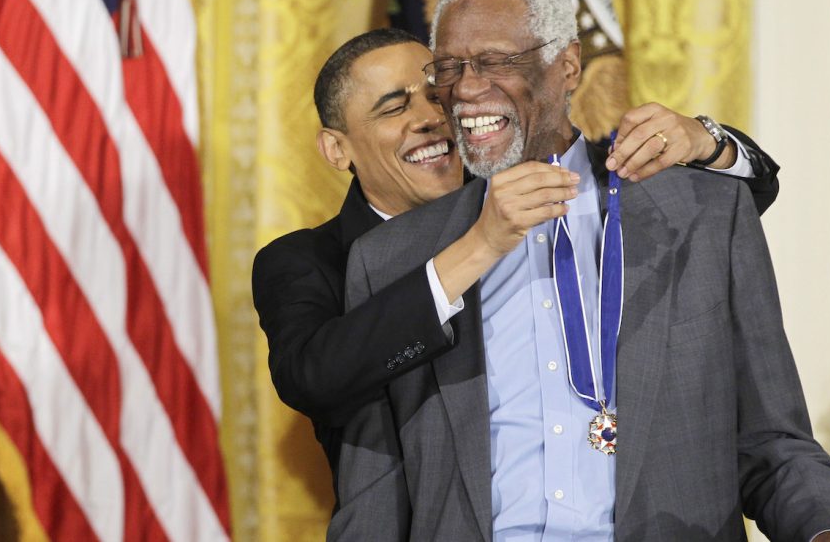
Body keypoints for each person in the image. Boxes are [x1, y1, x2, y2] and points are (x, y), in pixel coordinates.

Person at [336, 0, 830, 541]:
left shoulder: (700, 217)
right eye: (450, 67)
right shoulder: (394, 262)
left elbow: (771, 443)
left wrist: (827, 531)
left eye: (497, 61)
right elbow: (373, 495)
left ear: (567, 65)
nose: (467, 88)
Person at [252, 27, 778, 516]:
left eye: (437, 96)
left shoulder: (524, 186)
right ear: (336, 148)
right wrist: (479, 246)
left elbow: (728, 202)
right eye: (394, 107)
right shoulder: (307, 261)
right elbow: (314, 378)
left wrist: (709, 141)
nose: (430, 118)